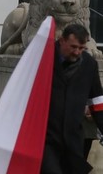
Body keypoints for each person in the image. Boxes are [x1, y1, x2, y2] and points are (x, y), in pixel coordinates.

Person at [42, 24, 103, 172]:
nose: (77, 52)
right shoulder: (44, 57)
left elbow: (97, 101)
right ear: (62, 40)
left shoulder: (89, 64)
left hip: (73, 140)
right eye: (73, 47)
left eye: (81, 48)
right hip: (46, 138)